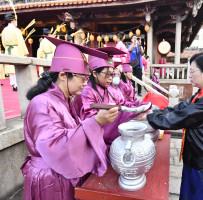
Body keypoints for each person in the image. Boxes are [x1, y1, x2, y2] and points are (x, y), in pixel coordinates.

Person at [21, 37, 119, 200]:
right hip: (50, 178)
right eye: (82, 78)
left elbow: (74, 133)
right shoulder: (42, 103)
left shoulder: (66, 99)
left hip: (64, 172)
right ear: (63, 75)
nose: (85, 83)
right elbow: (53, 146)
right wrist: (96, 122)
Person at [137, 52, 203, 200]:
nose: (189, 75)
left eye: (192, 71)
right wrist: (154, 111)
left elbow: (180, 118)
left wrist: (149, 117)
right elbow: (179, 109)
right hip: (197, 157)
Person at [80, 56, 149, 147]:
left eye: (112, 75)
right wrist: (127, 113)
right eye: (107, 75)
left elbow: (122, 103)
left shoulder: (109, 89)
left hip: (113, 136)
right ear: (95, 73)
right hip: (98, 142)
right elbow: (92, 122)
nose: (111, 78)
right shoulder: (88, 91)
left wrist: (141, 105)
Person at [1, 13, 29, 91]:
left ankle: (13, 84)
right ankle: (17, 84)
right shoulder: (16, 30)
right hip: (16, 49)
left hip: (8, 50)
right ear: (13, 21)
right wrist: (24, 52)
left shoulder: (4, 30)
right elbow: (20, 42)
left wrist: (7, 48)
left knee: (10, 68)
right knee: (16, 67)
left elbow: (3, 43)